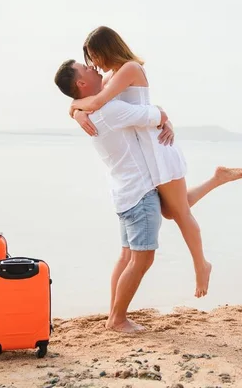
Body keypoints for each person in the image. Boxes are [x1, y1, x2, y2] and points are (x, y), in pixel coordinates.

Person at [69, 26, 242, 298]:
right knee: (171, 209)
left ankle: (202, 265)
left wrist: (76, 111)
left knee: (179, 213)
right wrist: (74, 110)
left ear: (107, 48)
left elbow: (97, 101)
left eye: (94, 55)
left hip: (159, 148)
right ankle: (218, 178)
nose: (93, 63)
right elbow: (86, 98)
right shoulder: (111, 76)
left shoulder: (130, 68)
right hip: (147, 152)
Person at [54, 59, 173, 333]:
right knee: (142, 259)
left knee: (126, 256)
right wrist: (164, 117)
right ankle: (118, 319)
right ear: (82, 84)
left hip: (124, 192)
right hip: (139, 193)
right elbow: (157, 115)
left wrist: (74, 109)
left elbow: (84, 102)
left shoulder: (96, 110)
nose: (94, 68)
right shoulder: (111, 109)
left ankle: (114, 314)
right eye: (86, 69)